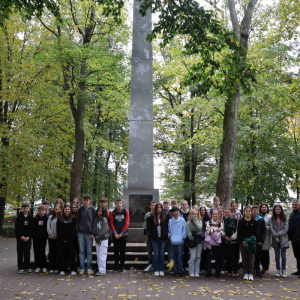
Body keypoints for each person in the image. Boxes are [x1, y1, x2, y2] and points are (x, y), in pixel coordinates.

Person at [76, 194, 97, 275]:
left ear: (89, 201)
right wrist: (78, 231)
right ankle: (82, 267)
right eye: (84, 201)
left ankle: (89, 267)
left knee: (89, 251)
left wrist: (93, 233)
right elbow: (77, 221)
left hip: (89, 234)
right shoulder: (80, 210)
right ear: (82, 201)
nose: (85, 202)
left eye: (87, 200)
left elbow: (94, 222)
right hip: (81, 233)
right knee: (81, 251)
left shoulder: (93, 210)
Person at [147, 203, 168, 276]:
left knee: (162, 254)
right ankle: (156, 269)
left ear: (162, 208)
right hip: (155, 238)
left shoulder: (165, 217)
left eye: (160, 207)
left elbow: (167, 227)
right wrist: (151, 235)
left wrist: (165, 235)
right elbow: (149, 228)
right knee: (156, 254)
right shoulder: (151, 217)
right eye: (157, 207)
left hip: (163, 238)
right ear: (155, 209)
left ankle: (161, 269)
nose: (159, 208)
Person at [110, 198, 130, 273]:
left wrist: (121, 233)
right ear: (115, 204)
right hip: (115, 235)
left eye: (120, 203)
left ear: (122, 204)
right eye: (117, 203)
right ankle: (115, 266)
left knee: (122, 251)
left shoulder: (126, 212)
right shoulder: (113, 212)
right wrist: (115, 233)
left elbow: (127, 223)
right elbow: (111, 223)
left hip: (123, 235)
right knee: (116, 251)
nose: (118, 204)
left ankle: (122, 266)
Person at [237, 206, 257, 281]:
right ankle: (245, 272)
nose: (248, 212)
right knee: (244, 257)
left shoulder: (254, 221)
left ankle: (251, 273)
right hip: (243, 242)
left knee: (251, 258)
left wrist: (251, 241)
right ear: (244, 212)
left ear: (251, 212)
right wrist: (242, 241)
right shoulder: (241, 221)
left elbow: (255, 232)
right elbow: (239, 232)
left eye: (249, 211)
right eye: (246, 211)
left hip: (251, 242)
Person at [57, 205, 77, 276]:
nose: (67, 210)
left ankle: (73, 269)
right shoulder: (60, 219)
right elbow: (58, 230)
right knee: (62, 254)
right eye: (66, 209)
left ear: (70, 210)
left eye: (68, 209)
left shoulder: (73, 219)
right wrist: (62, 239)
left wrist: (68, 239)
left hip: (71, 240)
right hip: (61, 240)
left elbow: (74, 230)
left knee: (71, 254)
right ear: (63, 210)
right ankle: (62, 269)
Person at [270, 205, 289, 278]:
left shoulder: (284, 218)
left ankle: (283, 270)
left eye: (279, 209)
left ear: (281, 210)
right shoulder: (272, 218)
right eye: (276, 209)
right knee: (277, 255)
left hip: (283, 238)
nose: (277, 210)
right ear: (274, 210)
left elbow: (285, 229)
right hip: (275, 239)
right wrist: (276, 237)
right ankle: (278, 269)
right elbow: (271, 228)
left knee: (283, 256)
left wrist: (277, 235)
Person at [15, 203, 33, 274]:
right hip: (20, 238)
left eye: (27, 208)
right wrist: (21, 236)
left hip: (28, 238)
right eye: (24, 208)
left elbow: (32, 228)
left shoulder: (31, 217)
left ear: (29, 209)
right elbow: (17, 228)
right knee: (20, 252)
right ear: (22, 209)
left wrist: (29, 236)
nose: (25, 209)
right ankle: (20, 267)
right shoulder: (19, 217)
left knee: (27, 252)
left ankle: (27, 267)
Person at [204, 210, 223, 278]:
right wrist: (216, 230)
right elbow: (208, 231)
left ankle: (217, 272)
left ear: (218, 215)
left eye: (216, 214)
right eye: (213, 214)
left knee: (217, 258)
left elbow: (221, 233)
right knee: (208, 258)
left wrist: (213, 230)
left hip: (217, 244)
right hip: (209, 243)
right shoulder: (208, 222)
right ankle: (209, 272)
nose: (215, 215)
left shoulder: (220, 223)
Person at [168, 206, 186, 277]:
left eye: (178, 211)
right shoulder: (170, 221)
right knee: (173, 256)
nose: (177, 212)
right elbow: (169, 230)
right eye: (175, 211)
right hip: (172, 241)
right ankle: (175, 270)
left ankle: (180, 270)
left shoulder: (182, 220)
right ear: (172, 212)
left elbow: (184, 230)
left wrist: (182, 237)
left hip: (180, 241)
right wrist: (170, 236)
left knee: (180, 256)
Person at [186, 209, 203, 277]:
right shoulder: (188, 223)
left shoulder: (200, 221)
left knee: (198, 257)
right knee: (193, 257)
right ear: (190, 215)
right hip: (192, 241)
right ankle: (191, 271)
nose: (194, 216)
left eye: (195, 214)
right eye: (192, 214)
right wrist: (194, 239)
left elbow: (199, 228)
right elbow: (188, 233)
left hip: (199, 241)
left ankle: (197, 271)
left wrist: (195, 220)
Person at [222, 208, 239, 277]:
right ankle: (228, 270)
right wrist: (224, 236)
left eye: (228, 212)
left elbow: (238, 231)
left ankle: (234, 270)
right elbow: (222, 229)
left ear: (232, 213)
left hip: (234, 242)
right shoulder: (224, 220)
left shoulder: (236, 220)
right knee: (227, 256)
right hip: (226, 241)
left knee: (234, 256)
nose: (227, 214)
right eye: (226, 212)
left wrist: (232, 238)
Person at [33, 205, 48, 273]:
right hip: (36, 238)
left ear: (45, 211)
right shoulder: (35, 218)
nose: (41, 212)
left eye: (42, 210)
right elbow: (33, 228)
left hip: (43, 238)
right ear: (38, 211)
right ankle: (37, 266)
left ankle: (44, 266)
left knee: (42, 251)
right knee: (36, 252)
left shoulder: (47, 218)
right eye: (40, 210)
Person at [252, 205, 267, 277]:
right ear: (252, 211)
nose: (256, 211)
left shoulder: (261, 220)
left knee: (258, 256)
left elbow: (264, 231)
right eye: (254, 210)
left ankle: (257, 269)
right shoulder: (250, 219)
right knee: (251, 256)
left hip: (259, 242)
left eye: (257, 210)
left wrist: (261, 240)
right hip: (251, 241)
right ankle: (252, 269)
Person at [95, 207, 110, 276]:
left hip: (103, 239)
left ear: (103, 212)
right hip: (98, 240)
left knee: (102, 255)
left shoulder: (104, 220)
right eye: (98, 211)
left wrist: (97, 238)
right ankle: (99, 269)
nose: (99, 212)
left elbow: (103, 231)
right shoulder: (96, 220)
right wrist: (97, 239)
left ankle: (102, 271)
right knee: (98, 255)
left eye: (101, 211)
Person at [47, 205, 61, 273]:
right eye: (56, 209)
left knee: (57, 252)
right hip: (51, 237)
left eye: (58, 209)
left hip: (58, 238)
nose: (57, 210)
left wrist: (58, 235)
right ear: (54, 210)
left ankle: (57, 267)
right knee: (51, 252)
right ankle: (51, 267)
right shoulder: (50, 217)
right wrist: (51, 234)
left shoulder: (61, 218)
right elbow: (48, 226)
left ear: (60, 210)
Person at [288, 200, 300, 276]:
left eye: (296, 204)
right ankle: (299, 270)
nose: (294, 206)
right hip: (293, 238)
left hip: (298, 237)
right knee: (297, 255)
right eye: (293, 205)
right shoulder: (292, 213)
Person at [259, 203, 272, 274]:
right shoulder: (257, 216)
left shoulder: (270, 217)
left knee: (265, 253)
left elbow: (272, 227)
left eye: (265, 207)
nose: (264, 208)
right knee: (259, 253)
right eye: (262, 207)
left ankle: (265, 268)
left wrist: (265, 227)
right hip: (258, 237)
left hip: (266, 237)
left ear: (267, 208)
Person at [144, 201, 156, 272]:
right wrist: (146, 235)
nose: (154, 207)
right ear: (150, 206)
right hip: (149, 235)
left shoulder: (159, 214)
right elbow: (145, 225)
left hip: (157, 236)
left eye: (155, 205)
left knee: (157, 252)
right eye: (153, 205)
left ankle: (155, 265)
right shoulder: (147, 215)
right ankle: (150, 264)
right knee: (149, 251)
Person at [199, 206, 210, 271]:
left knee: (205, 252)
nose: (202, 211)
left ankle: (205, 266)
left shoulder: (208, 219)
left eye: (203, 210)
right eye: (201, 210)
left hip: (206, 237)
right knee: (200, 253)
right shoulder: (198, 218)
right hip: (199, 237)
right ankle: (200, 266)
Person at [180, 200, 190, 271]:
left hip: (188, 233)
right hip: (180, 234)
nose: (184, 206)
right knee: (180, 251)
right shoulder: (179, 212)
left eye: (185, 204)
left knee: (186, 251)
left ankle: (186, 265)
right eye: (183, 204)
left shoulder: (190, 212)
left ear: (187, 205)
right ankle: (180, 265)